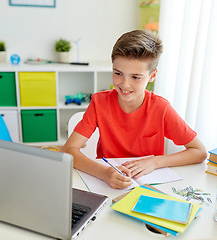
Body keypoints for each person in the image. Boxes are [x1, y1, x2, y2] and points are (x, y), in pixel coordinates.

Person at [62, 30, 207, 189]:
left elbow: (199, 151)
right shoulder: (99, 103)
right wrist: (104, 173)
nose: (124, 84)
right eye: (118, 73)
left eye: (135, 77)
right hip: (107, 184)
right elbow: (69, 150)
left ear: (152, 76)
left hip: (150, 186)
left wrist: (155, 161)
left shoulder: (161, 108)